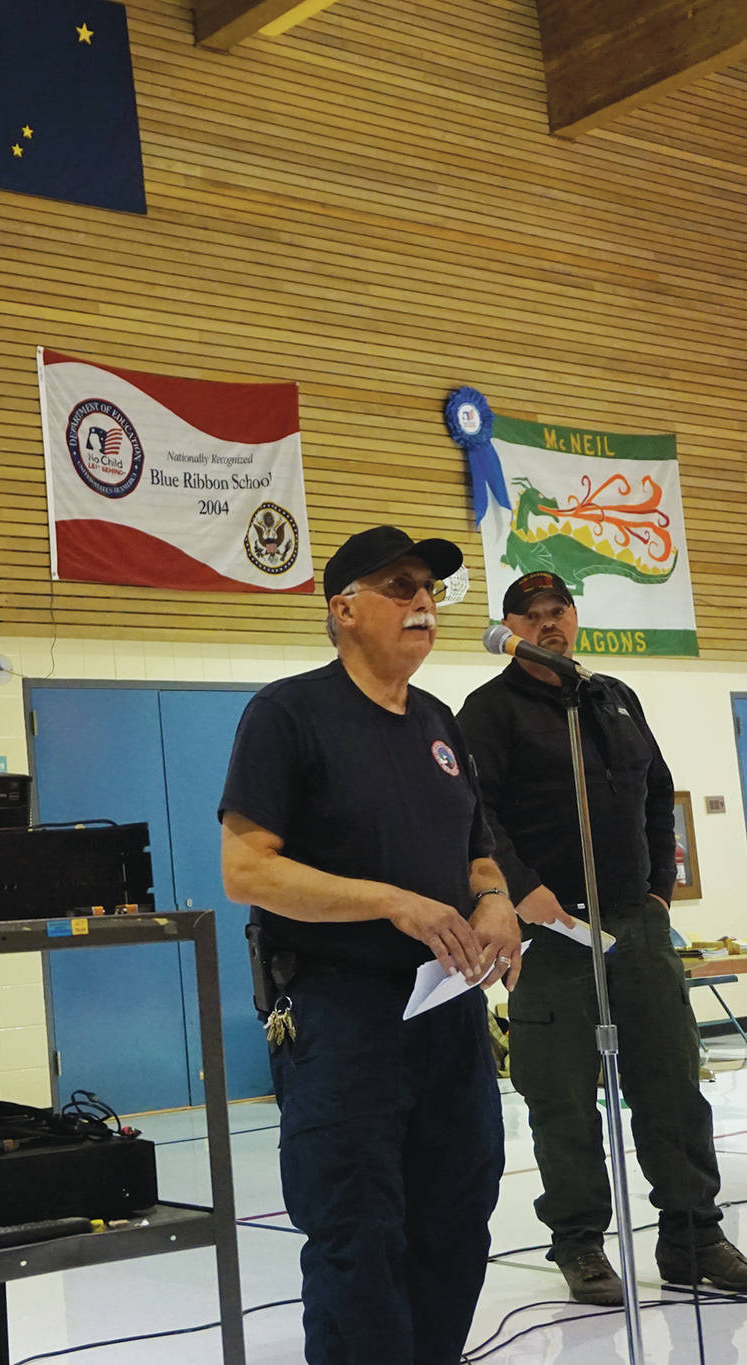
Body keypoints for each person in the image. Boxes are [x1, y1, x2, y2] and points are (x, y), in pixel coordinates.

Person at [220, 525, 522, 1365]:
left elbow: (477, 848)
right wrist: (389, 901)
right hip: (338, 1013)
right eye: (400, 586)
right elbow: (246, 870)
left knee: (458, 1210)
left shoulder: (439, 722)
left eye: (429, 588)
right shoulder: (287, 714)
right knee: (359, 1226)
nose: (423, 601)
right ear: (344, 609)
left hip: (447, 1009)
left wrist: (493, 899)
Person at [458, 571, 747, 1305]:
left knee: (673, 1082)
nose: (548, 625)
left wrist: (658, 895)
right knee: (563, 1099)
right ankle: (579, 1242)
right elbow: (474, 816)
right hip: (551, 932)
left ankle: (693, 1235)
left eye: (558, 612)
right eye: (531, 615)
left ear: (574, 618)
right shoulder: (488, 711)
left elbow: (655, 798)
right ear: (509, 628)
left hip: (635, 928)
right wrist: (520, 887)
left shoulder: (613, 698)